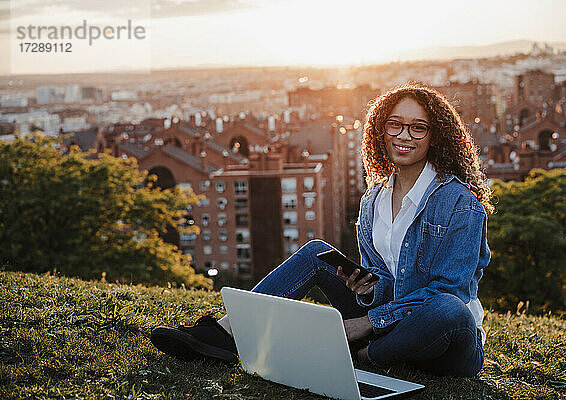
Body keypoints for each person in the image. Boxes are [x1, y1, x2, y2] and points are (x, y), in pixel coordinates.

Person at [151, 82, 493, 377]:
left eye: (418, 128)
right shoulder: (374, 199)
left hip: (443, 341)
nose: (404, 136)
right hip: (388, 321)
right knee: (317, 252)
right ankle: (226, 333)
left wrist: (365, 324)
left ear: (436, 137)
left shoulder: (459, 203)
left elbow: (451, 292)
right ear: (381, 131)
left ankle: (365, 355)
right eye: (395, 125)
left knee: (449, 309)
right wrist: (366, 291)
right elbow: (388, 282)